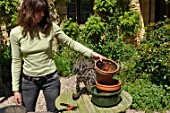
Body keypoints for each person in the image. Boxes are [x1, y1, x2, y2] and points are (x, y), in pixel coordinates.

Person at [9, 0, 104, 112]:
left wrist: (92, 54)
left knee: (54, 110)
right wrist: (15, 90)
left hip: (50, 80)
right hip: (29, 82)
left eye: (44, 11)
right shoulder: (16, 33)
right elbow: (16, 61)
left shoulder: (49, 27)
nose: (43, 14)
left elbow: (70, 43)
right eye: (39, 11)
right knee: (27, 111)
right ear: (29, 11)